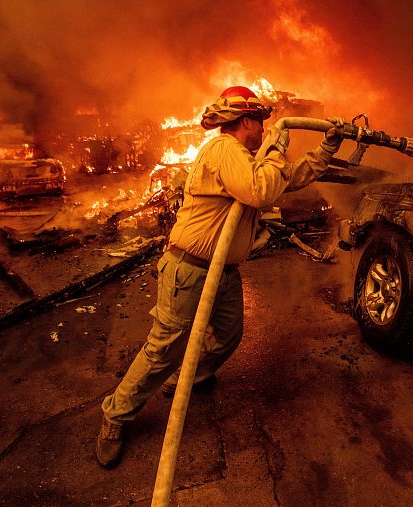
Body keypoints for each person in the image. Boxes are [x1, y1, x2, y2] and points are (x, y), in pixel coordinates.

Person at [96, 85, 343, 468]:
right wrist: (278, 144)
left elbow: (285, 179)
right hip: (190, 271)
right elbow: (261, 191)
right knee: (164, 349)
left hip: (221, 271)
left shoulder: (244, 157)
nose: (265, 130)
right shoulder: (223, 149)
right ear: (246, 122)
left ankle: (190, 377)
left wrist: (325, 151)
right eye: (261, 125)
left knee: (229, 334)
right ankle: (116, 415)